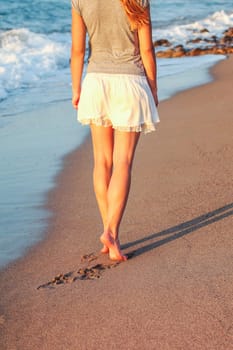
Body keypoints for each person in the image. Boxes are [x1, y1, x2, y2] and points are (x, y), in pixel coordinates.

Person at [71, 0, 159, 261]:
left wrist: (76, 88)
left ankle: (111, 237)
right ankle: (110, 232)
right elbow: (146, 48)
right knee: (123, 162)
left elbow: (77, 51)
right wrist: (153, 87)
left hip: (96, 82)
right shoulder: (138, 0)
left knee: (102, 162)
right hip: (130, 82)